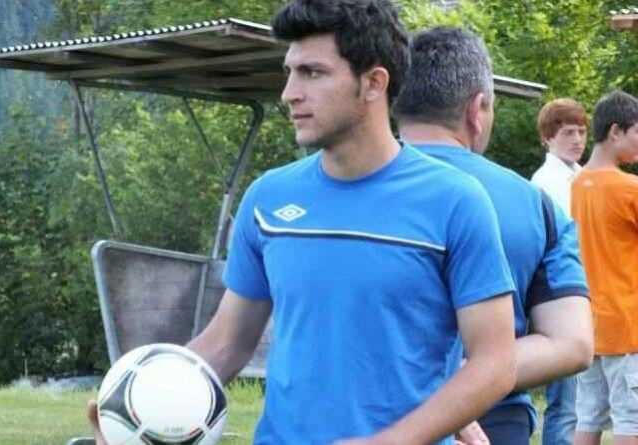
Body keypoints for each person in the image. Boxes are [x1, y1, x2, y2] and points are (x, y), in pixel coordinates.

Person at [88, 1, 519, 444]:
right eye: (290, 72)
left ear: (373, 83)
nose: (289, 93)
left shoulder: (455, 202)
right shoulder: (268, 198)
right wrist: (135, 402)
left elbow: (495, 363)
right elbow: (227, 343)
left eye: (312, 72)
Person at [393, 27, 593, 445]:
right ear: (477, 108)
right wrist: (470, 379)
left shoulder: (339, 188)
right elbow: (572, 344)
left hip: (367, 413)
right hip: (493, 419)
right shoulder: (535, 204)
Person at [571, 90, 638, 445]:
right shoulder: (630, 189)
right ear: (615, 131)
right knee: (631, 421)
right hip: (628, 325)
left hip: (589, 325)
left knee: (588, 417)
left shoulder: (576, 184)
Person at [530, 97, 589, 445]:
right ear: (548, 137)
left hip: (591, 291)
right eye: (568, 132)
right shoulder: (545, 182)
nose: (577, 140)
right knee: (565, 402)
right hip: (561, 295)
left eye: (581, 131)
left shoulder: (583, 176)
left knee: (587, 402)